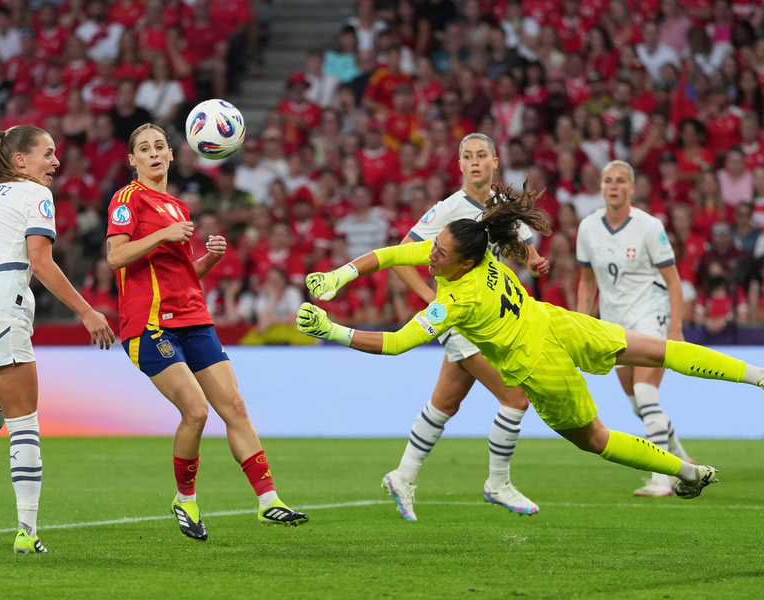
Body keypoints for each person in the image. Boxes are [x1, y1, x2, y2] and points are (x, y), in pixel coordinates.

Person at [297, 183, 764, 503]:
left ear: (461, 262)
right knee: (657, 349)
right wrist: (340, 275)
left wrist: (332, 330)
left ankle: (685, 474)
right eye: (433, 248)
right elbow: (392, 252)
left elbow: (398, 343)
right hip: (558, 323)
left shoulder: (456, 300)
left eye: (439, 254)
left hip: (539, 364)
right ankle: (756, 375)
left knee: (595, 438)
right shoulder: (471, 249)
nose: (429, 257)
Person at [105, 124, 308, 541]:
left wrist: (209, 260)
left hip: (194, 318)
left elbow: (182, 275)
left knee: (233, 405)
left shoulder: (178, 206)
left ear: (172, 154)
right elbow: (115, 256)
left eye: (160, 146)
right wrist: (163, 234)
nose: (154, 153)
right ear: (133, 160)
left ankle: (269, 501)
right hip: (150, 324)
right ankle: (185, 499)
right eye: (144, 148)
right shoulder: (127, 199)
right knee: (196, 411)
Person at [361, 133, 550, 521]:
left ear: (495, 161)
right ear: (460, 164)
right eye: (468, 156)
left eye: (482, 155)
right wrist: (432, 301)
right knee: (515, 399)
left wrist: (533, 261)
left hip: (489, 319)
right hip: (461, 318)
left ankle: (403, 475)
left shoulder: (501, 206)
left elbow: (520, 244)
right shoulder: (448, 209)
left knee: (445, 403)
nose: (476, 161)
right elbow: (399, 256)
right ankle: (497, 483)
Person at [0, 125, 115, 554]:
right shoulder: (35, 195)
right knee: (23, 420)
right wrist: (86, 311)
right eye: (47, 154)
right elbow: (40, 261)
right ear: (20, 162)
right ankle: (27, 534)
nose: (55, 162)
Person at [576, 161, 692, 497]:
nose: (613, 186)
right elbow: (587, 283)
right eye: (608, 181)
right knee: (636, 404)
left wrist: (676, 329)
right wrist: (582, 325)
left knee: (645, 393)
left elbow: (673, 282)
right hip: (615, 322)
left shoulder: (649, 226)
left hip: (650, 313)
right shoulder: (588, 227)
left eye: (620, 181)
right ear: (601, 187)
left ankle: (662, 479)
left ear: (632, 188)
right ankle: (684, 463)